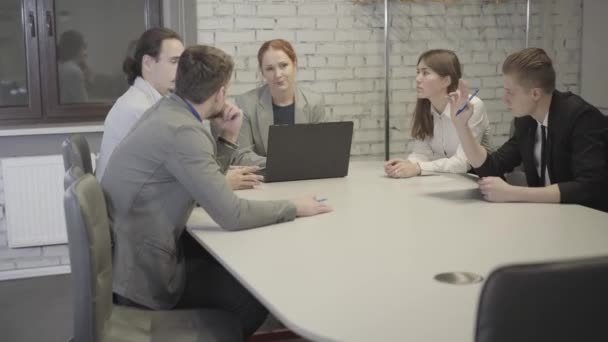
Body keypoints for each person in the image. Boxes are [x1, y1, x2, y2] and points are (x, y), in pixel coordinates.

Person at [100, 45, 332, 338]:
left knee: (227, 263)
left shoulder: (167, 111)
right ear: (221, 92)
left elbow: (201, 180)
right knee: (251, 300)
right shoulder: (184, 132)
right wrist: (294, 207)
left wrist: (226, 139)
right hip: (145, 278)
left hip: (131, 258)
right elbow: (232, 214)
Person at [448, 47, 608, 212]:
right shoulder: (526, 121)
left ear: (535, 94)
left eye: (510, 92)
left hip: (589, 220)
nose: (504, 99)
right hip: (551, 216)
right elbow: (492, 167)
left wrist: (513, 192)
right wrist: (462, 126)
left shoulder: (581, 117)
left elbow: (589, 187)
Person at [96, 28, 258, 190]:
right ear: (148, 64)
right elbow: (186, 184)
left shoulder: (155, 102)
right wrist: (222, 182)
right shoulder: (140, 109)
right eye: (174, 62)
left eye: (182, 63)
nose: (182, 71)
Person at [385, 49, 491, 178]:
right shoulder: (427, 108)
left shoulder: (471, 106)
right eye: (418, 72)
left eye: (425, 73)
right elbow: (422, 153)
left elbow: (463, 163)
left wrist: (418, 167)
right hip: (449, 181)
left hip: (480, 182)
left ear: (446, 81)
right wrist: (406, 164)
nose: (418, 79)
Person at [233, 39, 326, 166]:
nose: (278, 74)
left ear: (294, 65)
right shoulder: (245, 103)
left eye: (283, 65)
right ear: (262, 72)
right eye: (270, 69)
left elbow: (320, 150)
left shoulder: (314, 102)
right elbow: (242, 156)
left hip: (305, 178)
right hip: (263, 180)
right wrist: (282, 164)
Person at [57, 30, 90, 104]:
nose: (86, 54)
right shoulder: (73, 71)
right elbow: (84, 105)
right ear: (76, 48)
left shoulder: (59, 67)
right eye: (84, 48)